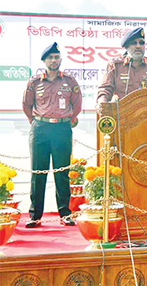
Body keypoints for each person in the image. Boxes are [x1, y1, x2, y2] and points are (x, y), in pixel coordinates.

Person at [22, 42, 82, 228]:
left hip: (62, 130)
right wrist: (37, 122)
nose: (54, 60)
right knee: (38, 173)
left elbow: (77, 104)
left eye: (56, 57)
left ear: (60, 59)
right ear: (44, 61)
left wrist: (67, 121)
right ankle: (35, 216)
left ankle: (65, 214)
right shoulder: (34, 82)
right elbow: (26, 104)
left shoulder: (69, 81)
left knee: (62, 173)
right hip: (40, 129)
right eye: (50, 58)